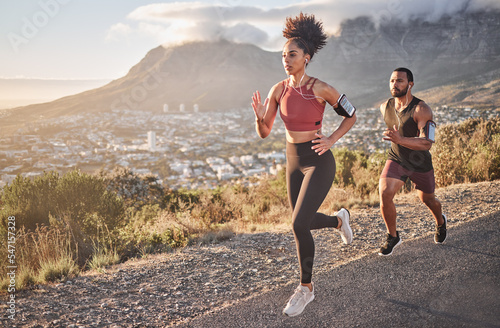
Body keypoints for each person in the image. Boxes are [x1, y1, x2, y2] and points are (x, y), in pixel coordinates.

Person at [251, 13, 357, 317]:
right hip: (293, 161)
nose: (286, 59)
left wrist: (332, 139)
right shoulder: (277, 90)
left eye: (292, 54)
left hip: (318, 160)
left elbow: (351, 115)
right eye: (283, 55)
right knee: (305, 221)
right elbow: (264, 132)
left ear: (306, 57)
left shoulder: (320, 88)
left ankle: (306, 288)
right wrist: (259, 117)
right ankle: (339, 221)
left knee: (298, 223)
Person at [378, 67, 447, 256]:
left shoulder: (422, 109)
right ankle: (393, 236)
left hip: (420, 162)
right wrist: (397, 141)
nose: (395, 84)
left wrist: (400, 140)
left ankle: (440, 221)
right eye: (392, 80)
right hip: (397, 158)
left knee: (428, 199)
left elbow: (427, 143)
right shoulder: (385, 107)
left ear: (410, 84)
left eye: (400, 80)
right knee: (385, 193)